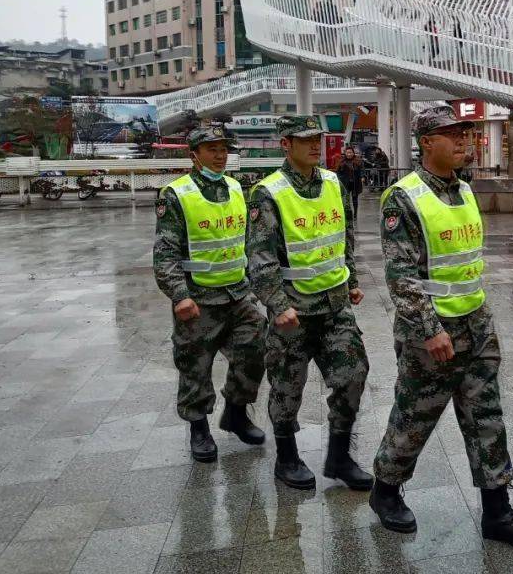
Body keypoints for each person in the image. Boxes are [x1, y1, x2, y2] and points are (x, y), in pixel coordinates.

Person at [370, 105, 513, 549]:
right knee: (415, 415)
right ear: (426, 143)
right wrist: (429, 328)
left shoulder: (464, 189)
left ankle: (497, 510)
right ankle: (385, 489)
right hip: (432, 332)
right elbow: (400, 276)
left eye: (465, 134)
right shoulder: (404, 197)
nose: (463, 142)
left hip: (476, 324)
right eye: (451, 135)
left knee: (486, 417)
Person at [247, 115, 372, 491]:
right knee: (287, 386)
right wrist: (276, 304)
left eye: (317, 138)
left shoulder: (334, 182)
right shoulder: (268, 192)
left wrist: (350, 276)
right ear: (285, 144)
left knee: (353, 375)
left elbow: (344, 234)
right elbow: (260, 257)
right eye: (304, 140)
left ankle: (338, 457)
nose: (314, 145)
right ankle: (286, 458)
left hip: (335, 306)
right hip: (293, 311)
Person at [153, 122, 267, 462]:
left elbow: (246, 240)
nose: (220, 155)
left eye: (223, 149)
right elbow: (165, 253)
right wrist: (179, 295)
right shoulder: (176, 195)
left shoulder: (235, 188)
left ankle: (235, 411)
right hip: (198, 298)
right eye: (211, 149)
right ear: (194, 155)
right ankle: (198, 428)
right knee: (195, 365)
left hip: (237, 294)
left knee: (256, 347)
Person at [336, 146, 364, 221]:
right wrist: (340, 180)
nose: (349, 154)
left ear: (353, 153)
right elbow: (338, 173)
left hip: (355, 183)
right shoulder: (341, 162)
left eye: (350, 152)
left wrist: (362, 177)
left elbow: (361, 171)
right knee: (346, 200)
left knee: (355, 199)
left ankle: (355, 214)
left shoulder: (357, 161)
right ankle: (347, 214)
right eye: (347, 152)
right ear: (345, 153)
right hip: (345, 184)